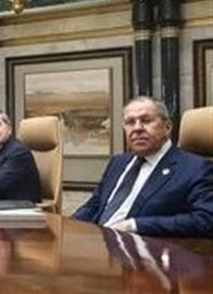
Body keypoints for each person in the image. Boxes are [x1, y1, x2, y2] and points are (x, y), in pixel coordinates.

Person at [73, 96, 213, 237]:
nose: (137, 128)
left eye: (146, 120)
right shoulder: (118, 162)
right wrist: (69, 226)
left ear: (167, 127)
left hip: (142, 246)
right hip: (99, 241)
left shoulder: (197, 168)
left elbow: (205, 220)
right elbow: (95, 205)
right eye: (130, 122)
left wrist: (136, 225)